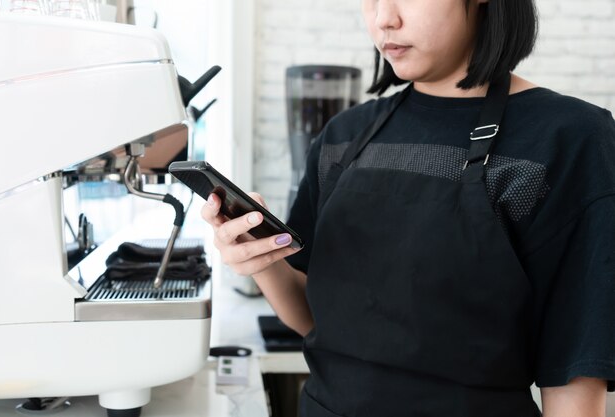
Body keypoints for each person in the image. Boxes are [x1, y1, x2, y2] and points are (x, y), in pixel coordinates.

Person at [201, 0, 615, 415]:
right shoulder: (344, 137)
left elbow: (575, 370)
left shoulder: (568, 139)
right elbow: (315, 319)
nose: (384, 19)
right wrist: (262, 258)